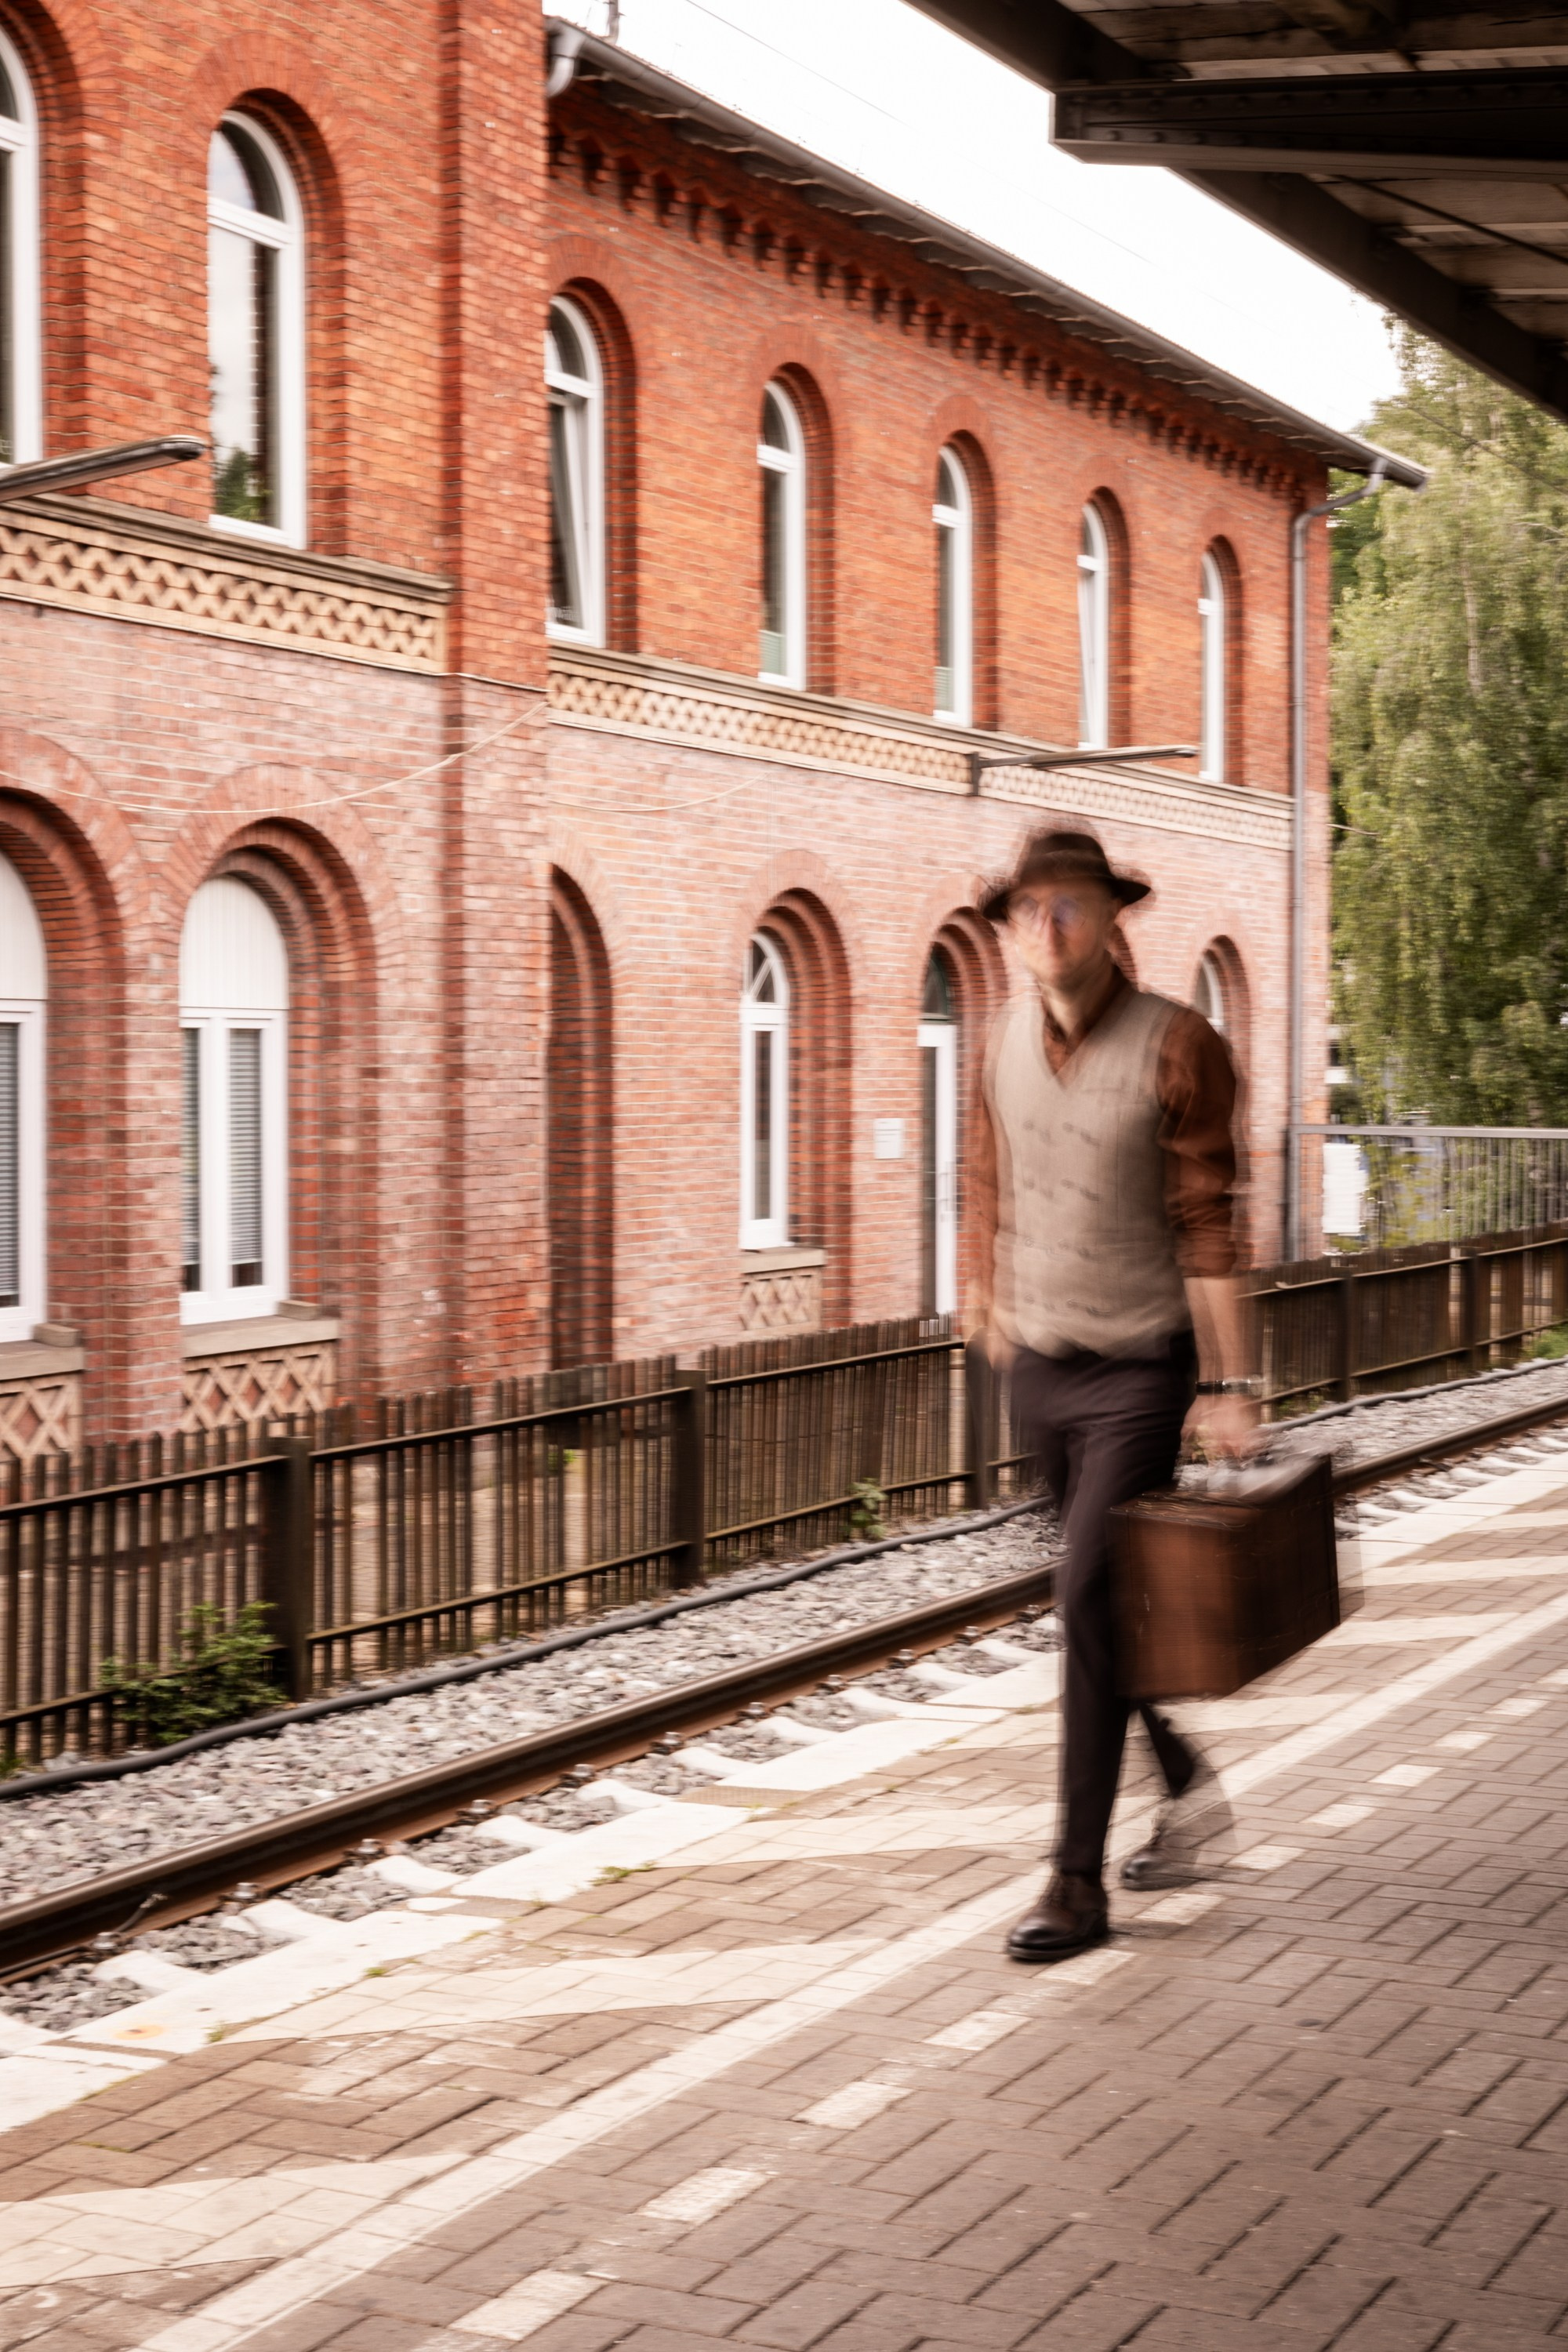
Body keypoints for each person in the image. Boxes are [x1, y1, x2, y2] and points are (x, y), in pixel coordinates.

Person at [968, 826, 1260, 1962]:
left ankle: (1076, 1885)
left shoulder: (1180, 1045)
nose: (1050, 925)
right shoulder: (999, 1042)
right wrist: (984, 1299)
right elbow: (989, 1178)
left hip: (1142, 1368)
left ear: (1110, 918)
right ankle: (1185, 1782)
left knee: (1085, 1596)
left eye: (1072, 905)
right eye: (1030, 907)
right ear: (1010, 927)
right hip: (1039, 1366)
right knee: (1097, 1617)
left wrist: (1228, 1385)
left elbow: (1209, 1224)